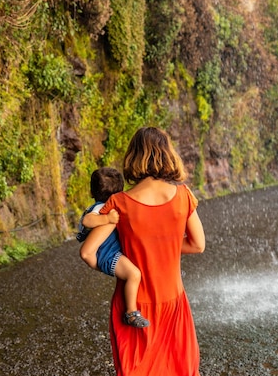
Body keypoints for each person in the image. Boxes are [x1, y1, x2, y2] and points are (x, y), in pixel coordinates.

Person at [87, 127, 205, 375]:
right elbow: (197, 244)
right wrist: (166, 245)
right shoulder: (184, 196)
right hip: (173, 303)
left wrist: (117, 264)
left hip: (135, 307)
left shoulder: (119, 204)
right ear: (167, 155)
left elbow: (88, 253)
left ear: (134, 156)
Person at [77, 167, 150, 328]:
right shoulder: (101, 208)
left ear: (91, 191)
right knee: (134, 274)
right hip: (107, 254)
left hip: (109, 252)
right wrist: (107, 219)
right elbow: (87, 221)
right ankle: (131, 313)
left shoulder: (107, 206)